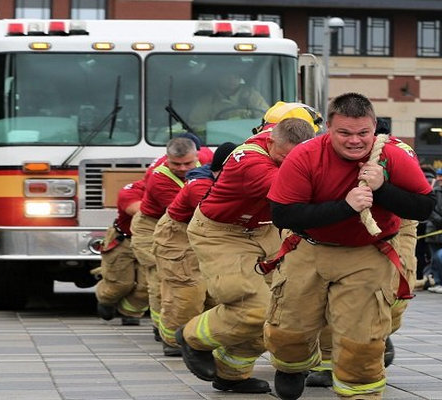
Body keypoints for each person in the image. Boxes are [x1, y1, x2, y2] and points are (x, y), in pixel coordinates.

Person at [263, 92, 434, 400]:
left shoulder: (394, 155)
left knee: (362, 342)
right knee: (289, 330)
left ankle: (360, 394)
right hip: (310, 248)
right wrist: (345, 206)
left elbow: (423, 208)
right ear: (328, 128)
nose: (355, 141)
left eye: (363, 133)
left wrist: (383, 189)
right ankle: (291, 366)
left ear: (374, 129)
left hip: (368, 253)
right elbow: (283, 214)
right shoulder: (305, 155)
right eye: (344, 133)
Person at [175, 115, 317, 394]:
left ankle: (231, 374)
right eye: (283, 156)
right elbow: (291, 191)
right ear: (270, 140)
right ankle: (191, 337)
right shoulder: (250, 161)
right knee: (251, 307)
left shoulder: (294, 151)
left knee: (279, 312)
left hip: (264, 231)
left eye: (296, 158)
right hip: (222, 233)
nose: (288, 163)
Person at [152, 142, 237, 355]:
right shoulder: (199, 185)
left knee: (213, 292)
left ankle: (200, 337)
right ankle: (174, 341)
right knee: (187, 291)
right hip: (178, 236)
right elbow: (218, 214)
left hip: (206, 234)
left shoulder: (221, 177)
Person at [130, 137, 200, 344]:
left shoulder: (205, 160)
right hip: (151, 226)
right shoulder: (159, 178)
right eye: (176, 164)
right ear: (166, 159)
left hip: (178, 225)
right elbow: (185, 210)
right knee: (159, 277)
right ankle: (160, 328)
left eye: (188, 163)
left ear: (197, 157)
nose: (182, 168)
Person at [95, 179, 149, 325]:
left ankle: (131, 311)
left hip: (152, 242)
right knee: (120, 284)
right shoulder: (131, 191)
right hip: (123, 241)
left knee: (149, 285)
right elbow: (140, 211)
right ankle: (106, 299)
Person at [188, 70, 269, 134]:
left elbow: (266, 118)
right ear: (218, 78)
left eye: (236, 76)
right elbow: (195, 125)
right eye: (228, 76)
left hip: (249, 140)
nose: (232, 79)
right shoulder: (207, 101)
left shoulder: (251, 95)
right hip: (217, 142)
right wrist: (217, 127)